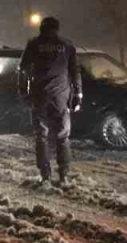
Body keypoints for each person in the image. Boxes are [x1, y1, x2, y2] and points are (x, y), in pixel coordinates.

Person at [18, 16, 82, 187]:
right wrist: (78, 94)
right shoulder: (67, 46)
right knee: (62, 136)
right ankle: (64, 175)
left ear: (41, 28)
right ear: (57, 28)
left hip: (40, 96)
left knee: (41, 136)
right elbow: (75, 71)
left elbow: (23, 70)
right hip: (61, 97)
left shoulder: (33, 44)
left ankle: (45, 175)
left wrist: (24, 92)